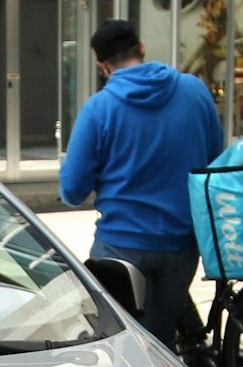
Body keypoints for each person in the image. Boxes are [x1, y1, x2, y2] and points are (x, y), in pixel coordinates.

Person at [59, 19, 225, 339]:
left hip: (123, 245)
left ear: (102, 65)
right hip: (183, 241)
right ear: (142, 49)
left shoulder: (99, 109)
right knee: (160, 340)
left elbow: (72, 190)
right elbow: (216, 157)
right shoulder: (194, 89)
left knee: (118, 340)